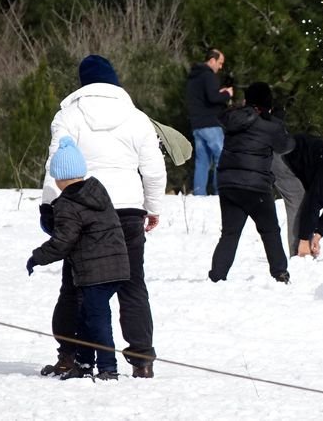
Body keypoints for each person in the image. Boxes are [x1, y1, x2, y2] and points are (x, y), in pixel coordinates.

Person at [40, 54, 167, 378]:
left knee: (75, 284)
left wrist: (50, 206)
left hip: (82, 209)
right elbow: (153, 170)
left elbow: (56, 161)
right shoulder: (138, 118)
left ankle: (69, 355)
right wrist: (153, 208)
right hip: (126, 210)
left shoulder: (69, 115)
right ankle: (142, 359)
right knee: (132, 284)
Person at [29, 137, 129, 381]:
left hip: (96, 272)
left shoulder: (67, 203)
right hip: (117, 266)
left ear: (59, 177)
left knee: (96, 318)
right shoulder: (96, 192)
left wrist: (37, 256)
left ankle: (108, 367)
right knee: (86, 317)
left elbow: (63, 242)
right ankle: (84, 364)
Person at [208, 82, 295, 284]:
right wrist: (280, 123)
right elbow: (285, 146)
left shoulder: (234, 118)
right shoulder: (271, 125)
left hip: (228, 185)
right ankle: (280, 273)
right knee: (270, 231)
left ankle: (217, 276)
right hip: (257, 187)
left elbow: (225, 115)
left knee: (229, 233)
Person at [185, 48, 234, 195]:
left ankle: (199, 193)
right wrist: (226, 93)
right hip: (211, 124)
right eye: (220, 63)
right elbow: (213, 98)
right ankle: (222, 192)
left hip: (197, 124)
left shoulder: (193, 78)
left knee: (202, 161)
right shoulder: (208, 76)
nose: (220, 67)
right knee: (222, 158)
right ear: (212, 60)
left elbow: (202, 98)